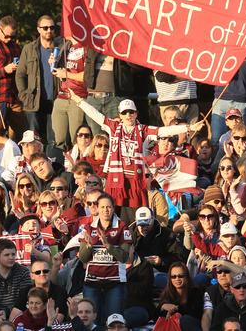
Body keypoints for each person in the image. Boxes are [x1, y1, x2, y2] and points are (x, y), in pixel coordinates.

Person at [70, 90, 195, 209]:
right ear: (120, 115)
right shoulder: (113, 127)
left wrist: (188, 127)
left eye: (131, 112)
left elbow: (164, 131)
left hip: (136, 181)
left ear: (136, 113)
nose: (128, 115)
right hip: (116, 180)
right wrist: (78, 100)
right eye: (124, 113)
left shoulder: (144, 130)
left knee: (134, 215)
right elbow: (94, 114)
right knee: (112, 213)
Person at [79, 193, 132, 325]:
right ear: (96, 208)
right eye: (102, 207)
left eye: (108, 207)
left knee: (114, 321)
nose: (105, 210)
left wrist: (108, 245)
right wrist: (89, 245)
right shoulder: (89, 227)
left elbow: (124, 257)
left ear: (113, 208)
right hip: (92, 282)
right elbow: (83, 258)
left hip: (115, 283)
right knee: (91, 323)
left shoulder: (122, 227)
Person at [16, 15, 60, 145]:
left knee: (54, 141)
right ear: (38, 29)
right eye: (45, 27)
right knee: (34, 141)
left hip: (56, 101)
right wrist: (24, 95)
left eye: (51, 27)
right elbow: (20, 75)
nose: (48, 30)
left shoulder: (62, 49)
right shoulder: (29, 49)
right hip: (34, 101)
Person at [0, 15, 26, 140]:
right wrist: (4, 70)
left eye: (12, 36)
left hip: (14, 97)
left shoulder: (15, 47)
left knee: (21, 134)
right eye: (6, 36)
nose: (8, 39)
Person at [211, 47, 246, 146]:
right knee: (216, 139)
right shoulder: (222, 43)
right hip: (220, 97)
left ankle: (242, 161)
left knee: (243, 138)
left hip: (242, 100)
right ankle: (217, 161)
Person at [0, 238, 32, 317]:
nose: (11, 257)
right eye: (7, 255)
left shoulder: (23, 272)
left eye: (13, 254)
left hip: (19, 313)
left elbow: (24, 299)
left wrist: (7, 312)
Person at [51, 36, 87, 151]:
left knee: (76, 140)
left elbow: (87, 75)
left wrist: (66, 74)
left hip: (77, 97)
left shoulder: (86, 47)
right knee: (58, 140)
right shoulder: (64, 46)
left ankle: (77, 166)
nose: (63, 30)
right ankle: (59, 167)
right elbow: (59, 72)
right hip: (61, 96)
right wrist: (52, 64)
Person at [157, 262, 203, 331]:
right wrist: (162, 307)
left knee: (185, 319)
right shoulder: (167, 294)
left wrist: (175, 309)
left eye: (180, 276)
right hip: (175, 328)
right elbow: (156, 315)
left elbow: (196, 314)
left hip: (193, 325)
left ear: (186, 277)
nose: (177, 279)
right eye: (173, 276)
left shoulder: (196, 292)